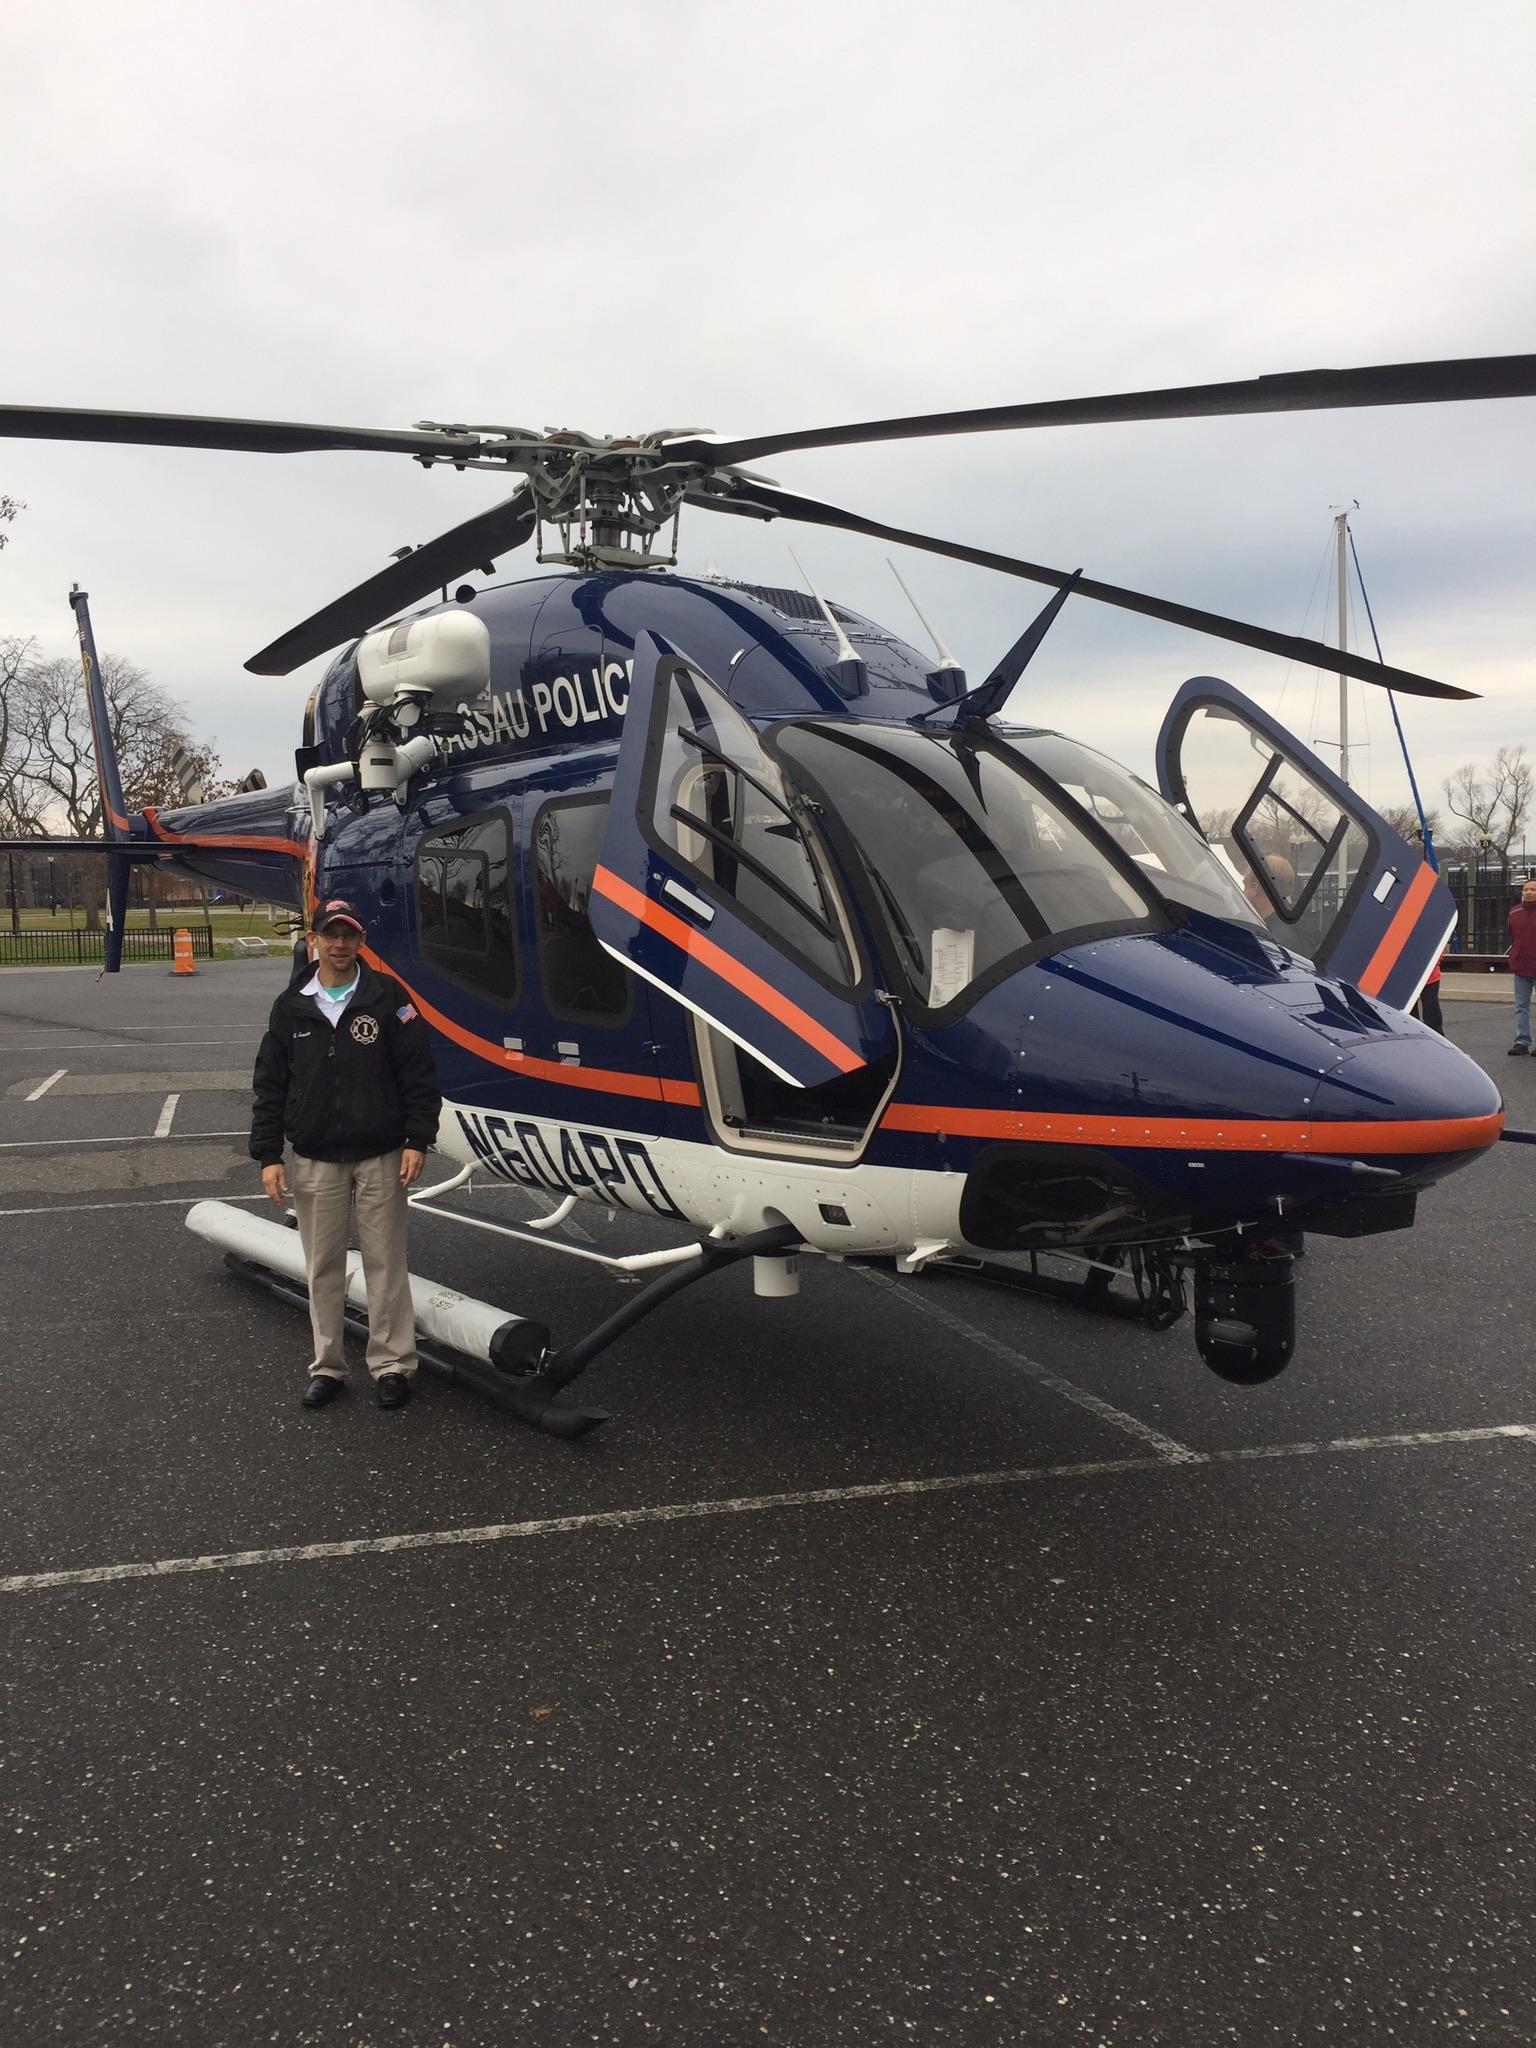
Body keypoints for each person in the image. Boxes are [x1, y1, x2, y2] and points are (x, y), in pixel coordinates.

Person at [250, 897, 442, 1409]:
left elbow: (419, 1075)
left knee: (386, 1263)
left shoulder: (388, 998)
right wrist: (269, 1154)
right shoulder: (290, 1006)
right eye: (330, 935)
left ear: (360, 942)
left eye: (349, 936)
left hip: (381, 1154)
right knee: (323, 1266)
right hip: (314, 1159)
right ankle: (329, 1366)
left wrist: (418, 1138)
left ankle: (392, 1364)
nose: (340, 945)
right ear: (313, 939)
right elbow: (270, 1085)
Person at [1508, 876, 1536, 1055]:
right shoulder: (1514, 912)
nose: (1529, 892)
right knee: (1521, 1006)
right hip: (1521, 966)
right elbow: (1512, 935)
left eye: (1533, 889)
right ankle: (1522, 1041)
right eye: (1526, 889)